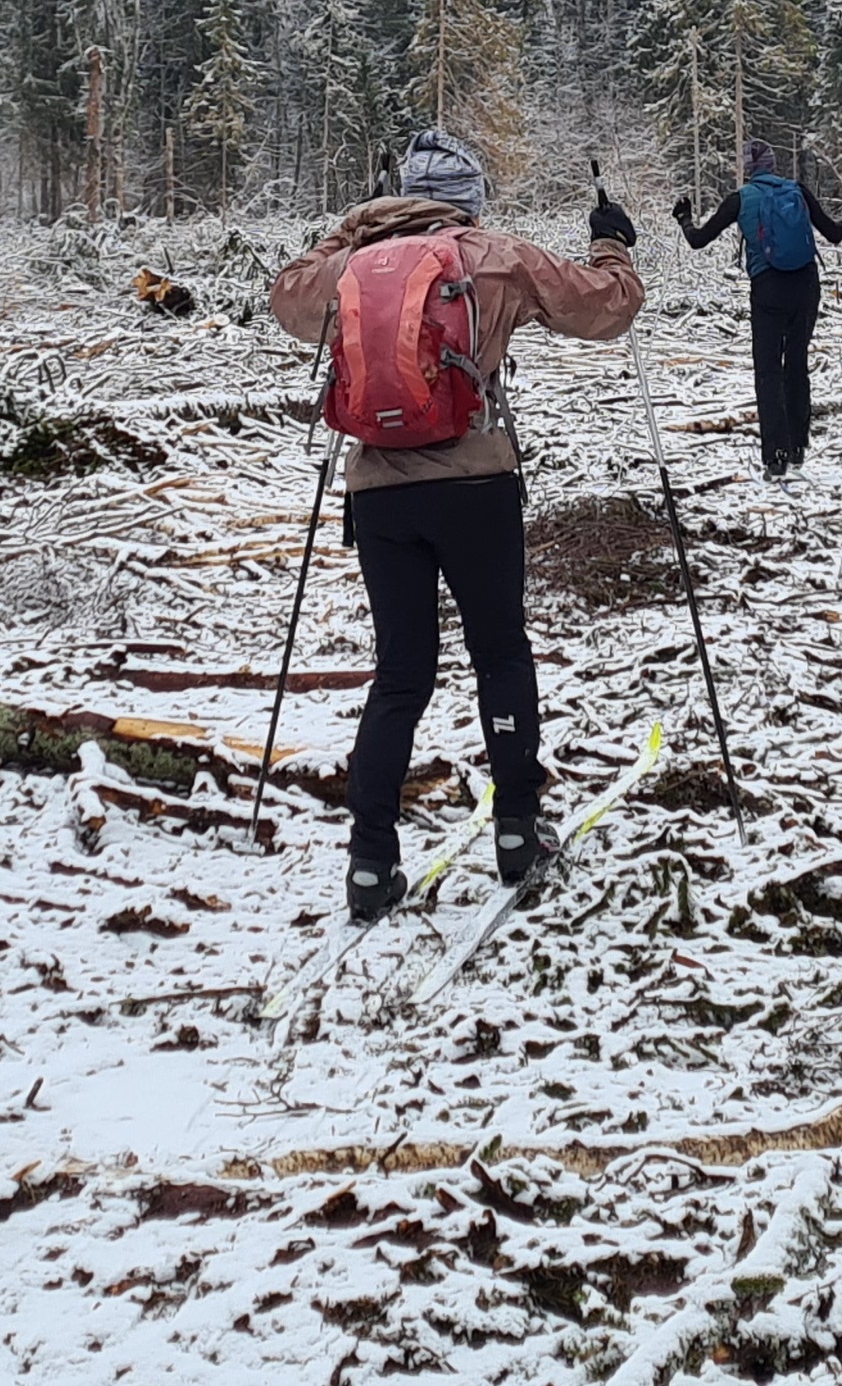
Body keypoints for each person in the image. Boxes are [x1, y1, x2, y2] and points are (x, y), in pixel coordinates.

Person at [267, 129, 644, 926]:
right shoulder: (493, 255)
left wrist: (353, 225)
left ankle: (370, 860)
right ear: (468, 201)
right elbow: (607, 309)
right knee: (499, 652)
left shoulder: (348, 265)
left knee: (400, 674)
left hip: (379, 494)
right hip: (476, 486)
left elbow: (286, 296)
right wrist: (612, 244)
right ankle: (516, 830)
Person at [674, 142, 842, 480]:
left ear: (748, 169)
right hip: (806, 286)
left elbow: (698, 240)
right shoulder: (797, 191)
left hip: (768, 289)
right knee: (796, 364)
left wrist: (684, 219)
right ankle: (798, 445)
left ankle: (776, 455)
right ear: (773, 166)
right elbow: (834, 234)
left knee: (768, 371)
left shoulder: (741, 199)